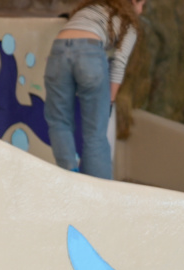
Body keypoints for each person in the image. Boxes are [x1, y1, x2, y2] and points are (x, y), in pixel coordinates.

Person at [44, 0, 143, 180]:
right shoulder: (129, 24)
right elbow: (119, 64)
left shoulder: (90, 8)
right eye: (141, 3)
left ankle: (70, 178)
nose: (141, 10)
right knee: (95, 134)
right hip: (90, 52)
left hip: (58, 49)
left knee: (59, 122)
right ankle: (99, 190)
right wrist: (109, 102)